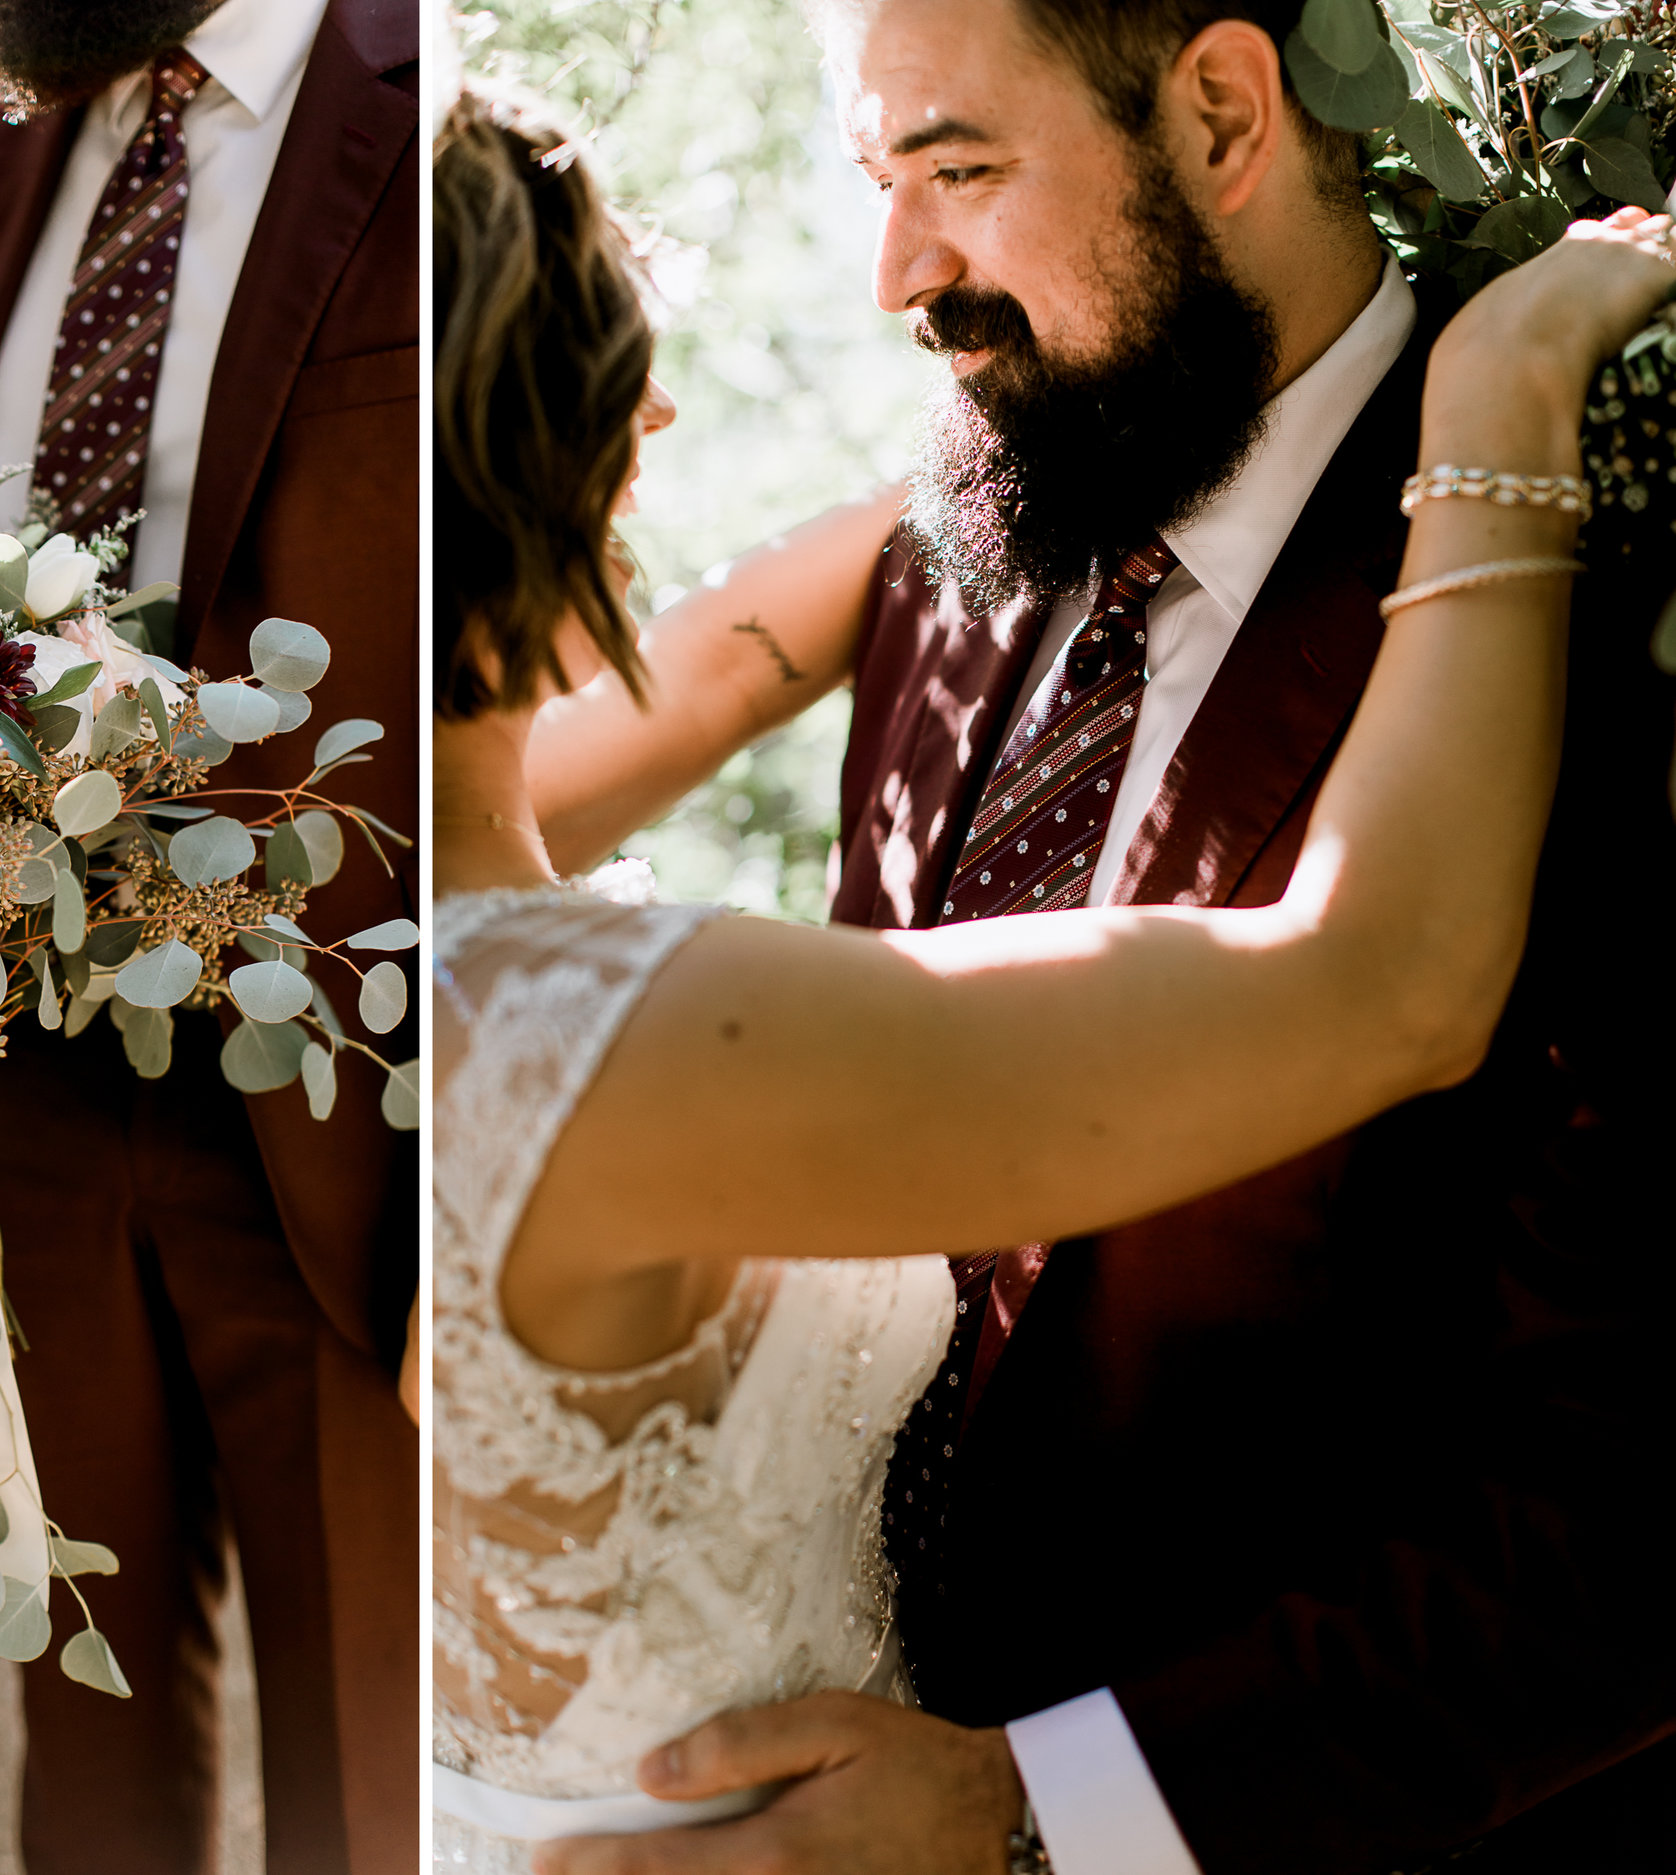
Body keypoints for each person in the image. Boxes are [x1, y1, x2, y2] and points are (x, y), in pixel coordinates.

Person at [429, 69, 1676, 1875]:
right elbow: (1385, 981)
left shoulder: (366, 881)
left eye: (951, 166)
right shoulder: (582, 1028)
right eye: (618, 379)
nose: (888, 273)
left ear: (1233, 117)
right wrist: (1499, 408)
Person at [0, 2, 420, 1870]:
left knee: (370, 1766)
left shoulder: (432, 98)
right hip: (9, 1086)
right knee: (83, 1741)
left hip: (343, 1087)